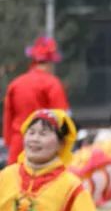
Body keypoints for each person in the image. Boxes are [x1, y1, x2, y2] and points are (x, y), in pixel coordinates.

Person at [2, 37, 69, 165]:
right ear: (50, 63)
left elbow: (8, 118)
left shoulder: (16, 83)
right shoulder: (52, 84)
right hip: (44, 148)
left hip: (18, 145)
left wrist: (9, 142)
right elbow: (61, 118)